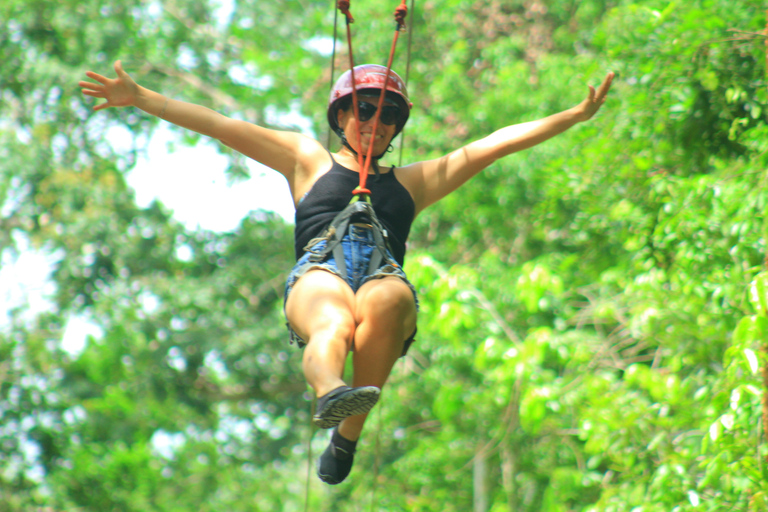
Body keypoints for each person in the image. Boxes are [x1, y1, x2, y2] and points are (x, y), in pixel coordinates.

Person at [79, 61, 614, 485]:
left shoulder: (413, 182)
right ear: (340, 115)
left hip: (382, 275)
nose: (376, 123)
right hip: (319, 272)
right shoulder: (305, 159)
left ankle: (346, 437)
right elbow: (223, 126)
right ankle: (331, 391)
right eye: (365, 109)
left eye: (389, 117)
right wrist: (142, 98)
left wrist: (571, 116)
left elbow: (494, 145)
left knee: (389, 303)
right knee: (334, 320)